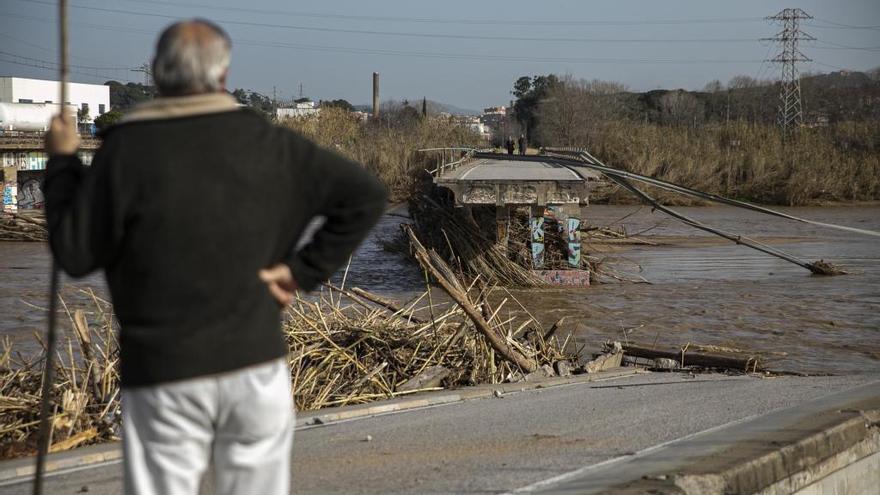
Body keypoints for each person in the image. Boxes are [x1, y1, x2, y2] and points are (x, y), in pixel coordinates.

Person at [43, 19, 387, 495]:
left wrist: (62, 164)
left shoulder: (125, 151)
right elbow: (365, 195)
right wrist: (300, 272)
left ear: (157, 76)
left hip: (163, 372)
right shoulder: (270, 144)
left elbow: (75, 254)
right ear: (224, 75)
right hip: (254, 365)